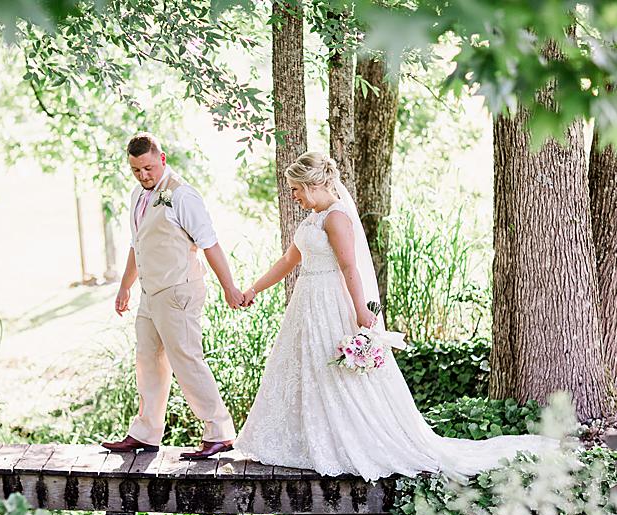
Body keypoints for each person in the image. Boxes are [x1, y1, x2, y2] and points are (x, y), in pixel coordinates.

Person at [233, 151, 560, 481]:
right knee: (306, 367)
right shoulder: (311, 219)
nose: (294, 196)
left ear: (314, 184)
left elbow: (350, 268)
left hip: (331, 303)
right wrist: (254, 289)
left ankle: (347, 440)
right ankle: (308, 441)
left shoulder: (336, 217)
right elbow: (289, 260)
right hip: (306, 304)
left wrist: (361, 310)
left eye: (296, 189)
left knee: (335, 373)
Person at [101, 133, 243, 460]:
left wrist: (229, 287)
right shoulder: (138, 195)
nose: (143, 176)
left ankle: (220, 431)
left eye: (148, 168)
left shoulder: (183, 195)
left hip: (179, 289)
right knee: (147, 361)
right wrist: (125, 286)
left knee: (186, 358)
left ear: (162, 159)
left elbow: (210, 243)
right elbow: (138, 245)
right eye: (136, 170)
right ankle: (145, 433)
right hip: (151, 293)